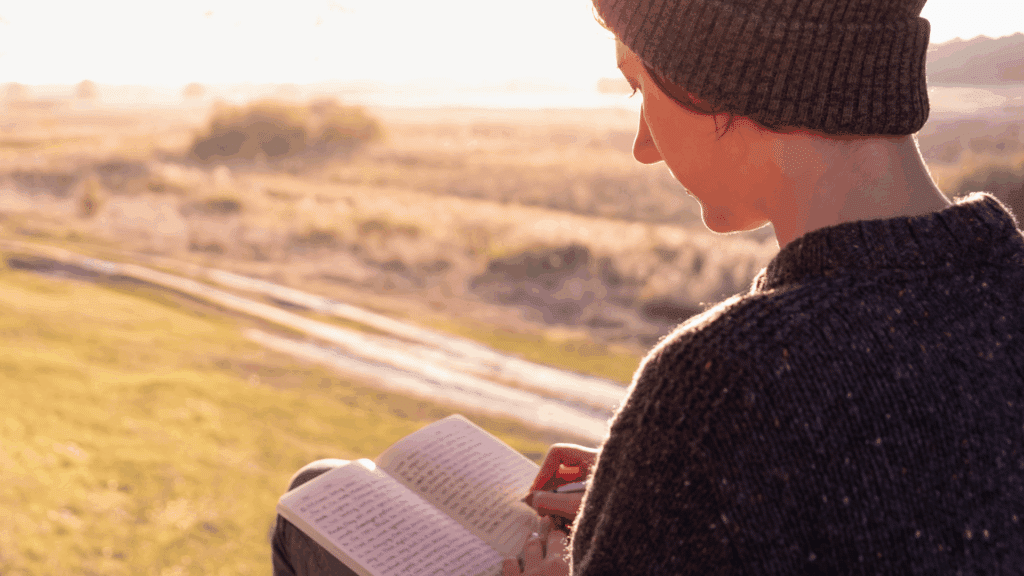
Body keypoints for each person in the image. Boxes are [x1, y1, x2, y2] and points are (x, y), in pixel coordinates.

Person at [274, 0, 1024, 573]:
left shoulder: (732, 378)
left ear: (721, 85)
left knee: (312, 499)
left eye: (640, 90)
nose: (642, 148)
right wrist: (672, 492)